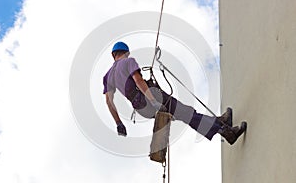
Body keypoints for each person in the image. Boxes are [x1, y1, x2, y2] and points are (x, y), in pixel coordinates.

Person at [103, 41, 247, 145]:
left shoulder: (107, 76)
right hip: (151, 99)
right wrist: (154, 101)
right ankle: (226, 132)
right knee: (187, 113)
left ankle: (221, 122)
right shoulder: (128, 61)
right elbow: (139, 81)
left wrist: (119, 123)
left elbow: (109, 102)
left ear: (113, 54)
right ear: (126, 53)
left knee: (186, 113)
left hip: (141, 109)